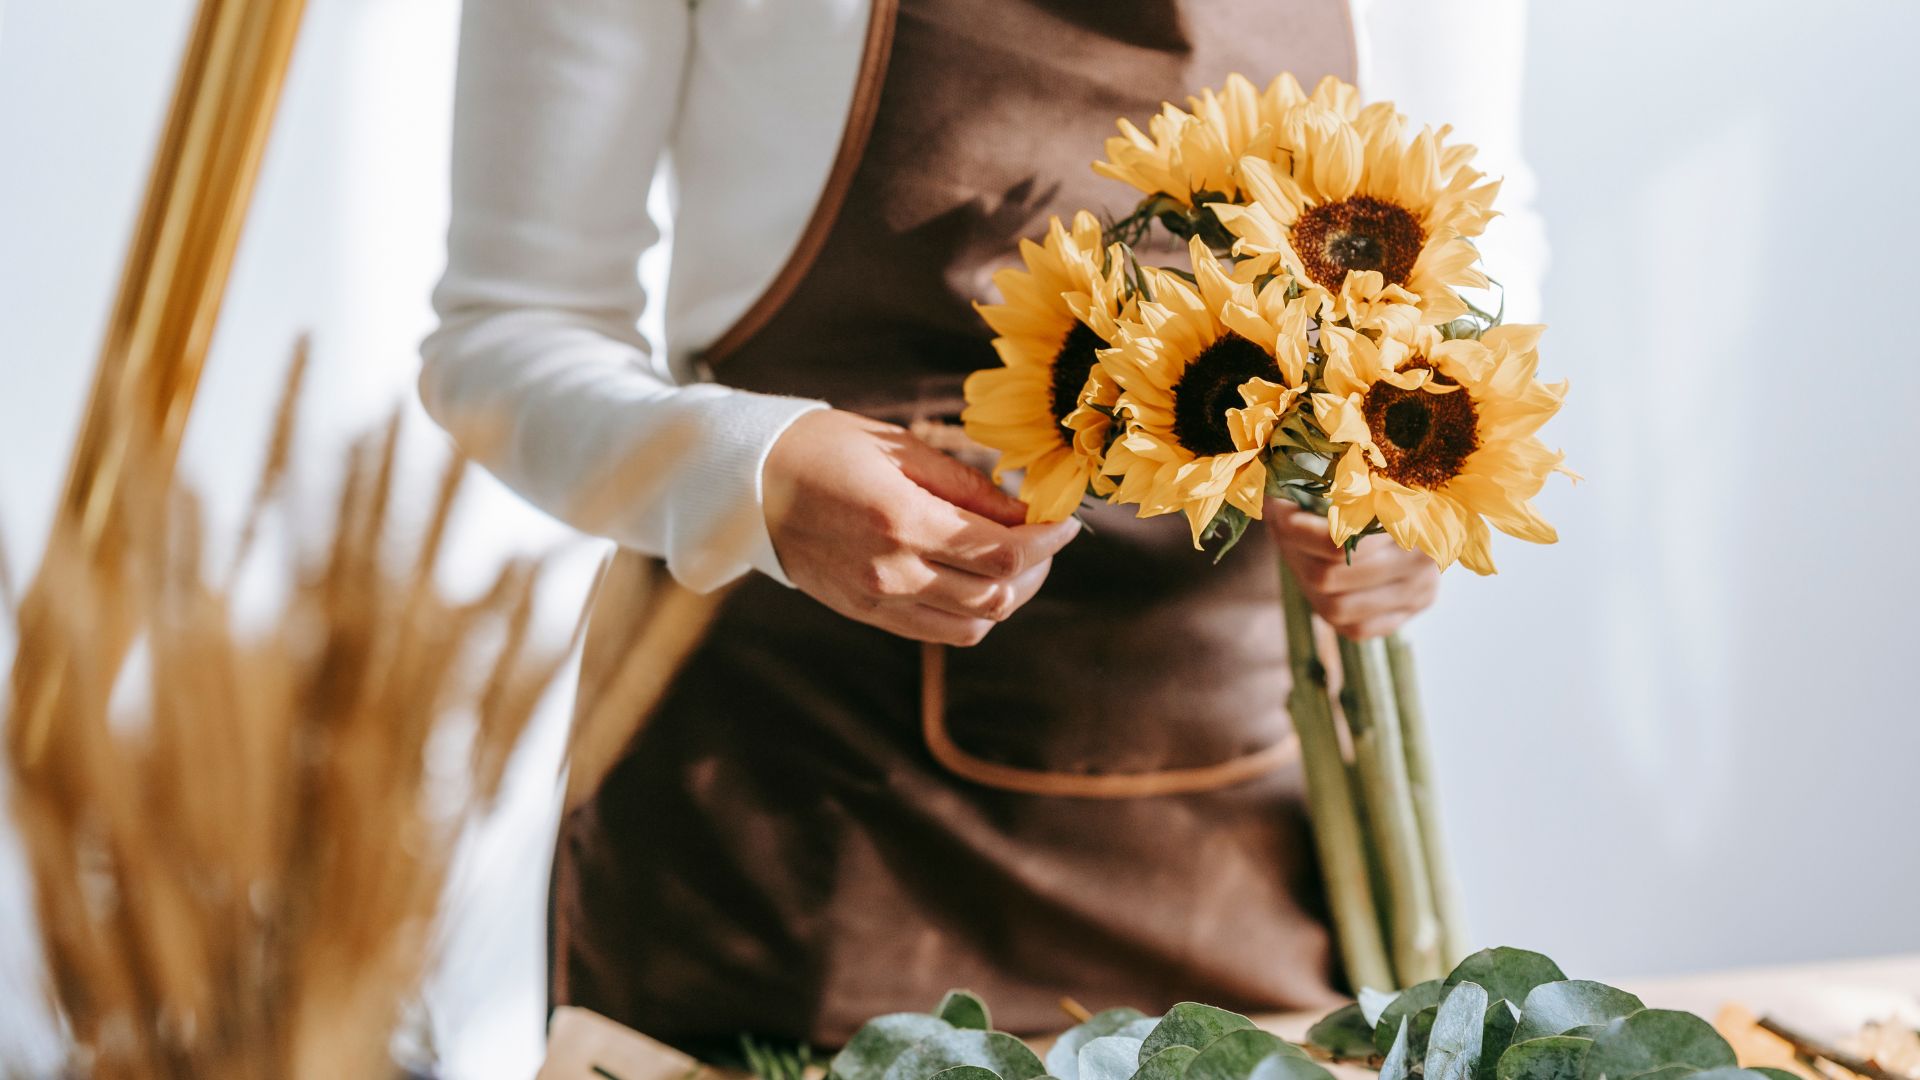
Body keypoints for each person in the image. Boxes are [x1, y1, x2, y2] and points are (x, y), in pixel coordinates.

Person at [421, 0, 1545, 1055]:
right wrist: (748, 475)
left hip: (1253, 834)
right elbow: (507, 328)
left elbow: (1480, 228)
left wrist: (1417, 483)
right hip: (790, 817)